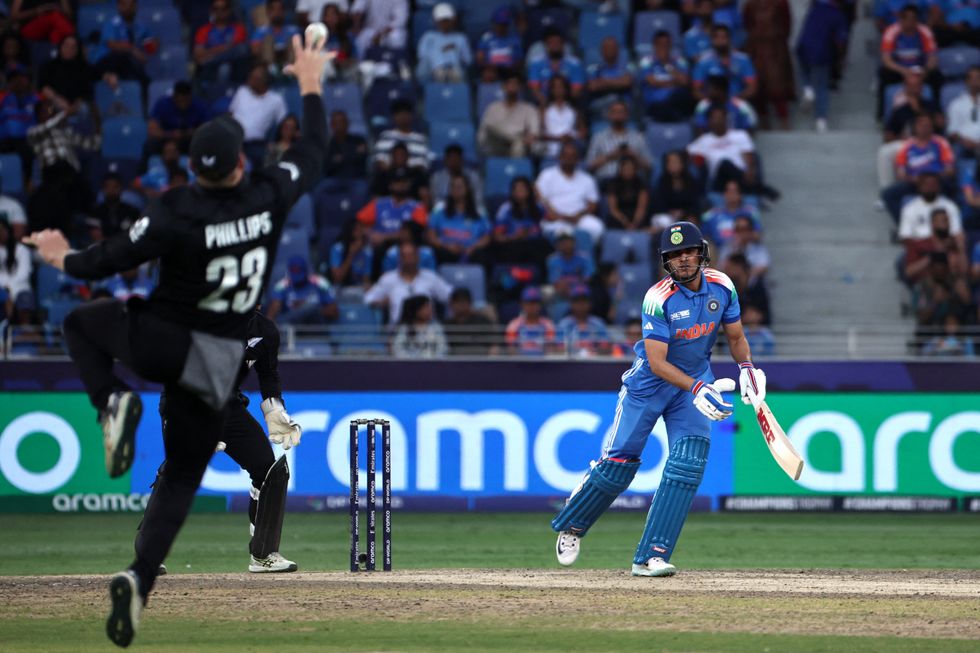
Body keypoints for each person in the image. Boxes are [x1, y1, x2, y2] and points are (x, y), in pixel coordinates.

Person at [24, 35, 330, 648]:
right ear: (241, 164)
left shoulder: (174, 209)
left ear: (193, 168)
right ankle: (139, 575)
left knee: (80, 324)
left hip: (165, 339)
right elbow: (315, 149)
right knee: (183, 478)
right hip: (214, 365)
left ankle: (112, 403)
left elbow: (107, 260)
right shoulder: (268, 198)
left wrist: (61, 257)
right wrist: (310, 80)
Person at [551, 221, 766, 577]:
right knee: (619, 465)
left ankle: (651, 555)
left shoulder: (723, 286)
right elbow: (657, 362)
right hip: (649, 385)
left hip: (693, 381)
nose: (683, 259)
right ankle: (573, 524)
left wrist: (747, 368)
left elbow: (736, 337)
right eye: (674, 255)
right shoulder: (658, 297)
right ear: (666, 261)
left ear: (702, 253)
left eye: (688, 251)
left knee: (688, 464)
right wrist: (698, 388)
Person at [138, 308, 302, 576]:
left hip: (228, 406)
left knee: (268, 470)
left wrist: (274, 409)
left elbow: (268, 373)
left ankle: (263, 554)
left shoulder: (264, 330)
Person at [882, 114, 955, 221]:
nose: (924, 128)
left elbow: (950, 169)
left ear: (932, 127)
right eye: (921, 125)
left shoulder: (941, 143)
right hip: (915, 183)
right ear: (915, 127)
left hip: (937, 181)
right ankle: (905, 224)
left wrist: (932, 178)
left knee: (951, 188)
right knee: (888, 194)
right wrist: (914, 179)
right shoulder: (906, 146)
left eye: (927, 125)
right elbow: (900, 173)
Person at [364, 240, 453, 324]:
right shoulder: (388, 279)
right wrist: (380, 302)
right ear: (399, 258)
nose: (408, 260)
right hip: (399, 329)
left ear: (418, 257)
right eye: (404, 256)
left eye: (411, 255)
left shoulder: (430, 277)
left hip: (427, 329)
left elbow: (450, 295)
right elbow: (368, 299)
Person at [878, 5, 941, 119]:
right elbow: (886, 60)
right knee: (884, 74)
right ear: (901, 19)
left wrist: (925, 70)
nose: (910, 23)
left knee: (936, 76)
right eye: (907, 19)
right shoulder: (891, 31)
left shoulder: (925, 31)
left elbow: (933, 58)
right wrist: (903, 71)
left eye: (913, 19)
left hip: (920, 69)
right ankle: (881, 114)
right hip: (900, 70)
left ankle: (936, 112)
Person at [795, 0, 850, 132]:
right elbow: (840, 41)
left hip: (804, 47)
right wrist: (841, 59)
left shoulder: (815, 9)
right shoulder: (838, 16)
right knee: (822, 86)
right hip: (822, 52)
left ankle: (807, 89)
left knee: (804, 71)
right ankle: (821, 120)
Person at [536, 141, 605, 243]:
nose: (569, 159)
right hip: (555, 218)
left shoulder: (587, 179)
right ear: (559, 157)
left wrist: (578, 216)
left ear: (578, 159)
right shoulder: (547, 175)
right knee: (552, 229)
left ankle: (584, 250)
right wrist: (555, 214)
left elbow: (593, 204)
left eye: (573, 156)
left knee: (596, 227)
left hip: (579, 219)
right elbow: (540, 199)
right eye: (566, 155)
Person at [742, 0, 795, 129]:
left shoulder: (780, 3)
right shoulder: (750, 4)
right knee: (759, 84)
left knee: (778, 86)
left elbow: (786, 24)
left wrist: (777, 40)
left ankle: (784, 120)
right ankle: (763, 119)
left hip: (775, 48)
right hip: (756, 49)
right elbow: (747, 23)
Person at [230, 64, 288, 171]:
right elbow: (231, 114)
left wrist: (281, 143)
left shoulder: (276, 100)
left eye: (254, 78)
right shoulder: (242, 91)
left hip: (256, 145)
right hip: (234, 140)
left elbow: (284, 123)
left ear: (264, 82)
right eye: (250, 76)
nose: (249, 80)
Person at [356, 167, 428, 252]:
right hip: (377, 248)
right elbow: (358, 224)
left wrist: (384, 237)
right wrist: (371, 234)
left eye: (404, 181)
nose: (400, 185)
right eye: (397, 181)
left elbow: (415, 232)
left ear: (409, 184)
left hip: (404, 249)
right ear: (390, 185)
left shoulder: (417, 207)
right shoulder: (378, 204)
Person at [90, 0, 157, 89]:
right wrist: (132, 49)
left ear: (136, 7)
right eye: (124, 4)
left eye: (131, 5)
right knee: (122, 54)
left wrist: (155, 43)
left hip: (126, 66)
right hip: (106, 63)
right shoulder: (112, 24)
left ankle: (142, 84)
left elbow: (151, 47)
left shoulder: (141, 27)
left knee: (136, 69)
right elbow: (111, 44)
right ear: (119, 6)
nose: (128, 8)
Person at [427, 174, 491, 264]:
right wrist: (446, 246)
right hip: (446, 250)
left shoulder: (480, 211)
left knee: (485, 256)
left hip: (472, 251)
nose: (456, 189)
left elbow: (487, 237)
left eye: (459, 186)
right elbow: (431, 235)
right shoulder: (439, 209)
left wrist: (474, 247)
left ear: (467, 189)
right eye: (453, 186)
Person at [491, 176, 550, 270]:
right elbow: (497, 237)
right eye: (516, 189)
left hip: (535, 244)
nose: (519, 191)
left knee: (545, 246)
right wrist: (515, 237)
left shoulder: (538, 207)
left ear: (529, 191)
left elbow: (552, 217)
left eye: (522, 188)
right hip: (514, 244)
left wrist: (539, 197)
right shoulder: (506, 209)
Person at [585, 100, 653, 183]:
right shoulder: (598, 138)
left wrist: (633, 155)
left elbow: (649, 166)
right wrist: (610, 156)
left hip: (632, 182)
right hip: (606, 181)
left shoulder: (638, 138)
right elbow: (589, 166)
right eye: (614, 112)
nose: (618, 114)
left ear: (627, 115)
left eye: (621, 112)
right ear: (609, 115)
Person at [477, 70, 539, 158]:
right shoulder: (493, 108)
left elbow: (534, 132)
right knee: (490, 128)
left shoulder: (529, 109)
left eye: (515, 84)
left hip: (518, 144)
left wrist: (528, 138)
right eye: (509, 83)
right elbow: (483, 132)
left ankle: (514, 165)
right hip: (496, 145)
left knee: (518, 144)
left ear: (520, 88)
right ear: (503, 87)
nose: (512, 87)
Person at [266, 255, 339, 325]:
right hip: (291, 327)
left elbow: (334, 313)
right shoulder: (281, 287)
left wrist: (308, 310)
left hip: (315, 327)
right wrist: (298, 311)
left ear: (306, 270)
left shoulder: (320, 283)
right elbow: (271, 316)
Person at [692, 24, 757, 101]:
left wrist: (736, 100)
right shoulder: (702, 62)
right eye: (716, 37)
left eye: (723, 37)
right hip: (711, 102)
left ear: (730, 39)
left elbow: (752, 87)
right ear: (711, 40)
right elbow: (696, 90)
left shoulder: (744, 60)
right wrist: (710, 102)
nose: (720, 41)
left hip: (738, 101)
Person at [37, 34, 96, 118]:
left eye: (73, 47)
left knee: (85, 109)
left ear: (77, 50)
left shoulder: (85, 68)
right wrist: (57, 100)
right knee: (48, 109)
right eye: (66, 45)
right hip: (54, 103)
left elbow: (86, 92)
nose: (69, 49)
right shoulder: (49, 66)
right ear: (60, 47)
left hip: (77, 106)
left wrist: (75, 105)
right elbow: (43, 86)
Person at [639, 31, 692, 122]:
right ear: (654, 45)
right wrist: (675, 82)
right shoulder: (646, 61)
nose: (664, 47)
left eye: (667, 44)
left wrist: (667, 65)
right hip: (655, 106)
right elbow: (652, 81)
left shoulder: (680, 61)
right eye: (660, 44)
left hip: (676, 105)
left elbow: (685, 81)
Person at [146, 80, 210, 155]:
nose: (183, 104)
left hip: (189, 139)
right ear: (174, 97)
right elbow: (152, 130)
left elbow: (206, 130)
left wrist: (187, 133)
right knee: (150, 145)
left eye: (186, 100)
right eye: (180, 100)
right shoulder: (162, 104)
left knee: (204, 146)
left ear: (190, 97)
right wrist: (171, 135)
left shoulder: (200, 106)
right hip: (165, 138)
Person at [193, 0, 250, 83]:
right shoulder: (203, 30)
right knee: (224, 67)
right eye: (216, 8)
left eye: (224, 8)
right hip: (211, 70)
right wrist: (226, 47)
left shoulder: (238, 29)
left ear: (229, 10)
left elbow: (237, 51)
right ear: (211, 11)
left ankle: (211, 61)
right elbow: (198, 54)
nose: (220, 12)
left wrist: (210, 54)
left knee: (241, 50)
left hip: (235, 68)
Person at [527, 27, 585, 106]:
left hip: (568, 104)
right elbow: (534, 88)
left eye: (558, 42)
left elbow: (576, 89)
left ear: (563, 44)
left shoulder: (575, 64)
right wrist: (547, 105)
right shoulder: (536, 63)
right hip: (542, 104)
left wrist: (562, 105)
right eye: (551, 42)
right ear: (546, 45)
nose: (555, 45)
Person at [415, 3, 471, 83]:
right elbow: (422, 56)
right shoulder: (428, 37)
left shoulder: (460, 38)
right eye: (442, 21)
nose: (445, 24)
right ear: (436, 21)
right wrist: (439, 54)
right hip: (435, 69)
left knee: (456, 74)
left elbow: (468, 60)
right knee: (426, 68)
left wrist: (453, 51)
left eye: (447, 20)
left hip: (455, 69)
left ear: (453, 21)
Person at [700, 180, 762, 250]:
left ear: (740, 194)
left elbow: (757, 236)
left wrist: (742, 237)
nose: (732, 194)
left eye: (734, 191)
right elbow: (703, 237)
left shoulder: (750, 213)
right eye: (729, 191)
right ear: (724, 194)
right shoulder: (712, 215)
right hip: (718, 252)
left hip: (746, 251)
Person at [372, 99, 430, 171]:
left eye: (405, 113)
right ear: (394, 117)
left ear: (411, 116)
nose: (403, 117)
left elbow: (422, 164)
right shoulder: (385, 136)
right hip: (389, 176)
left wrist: (406, 174)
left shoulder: (420, 139)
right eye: (399, 114)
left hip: (413, 176)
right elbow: (379, 160)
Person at [651, 150, 704, 226]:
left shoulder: (690, 181)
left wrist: (684, 213)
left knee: (692, 222)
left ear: (682, 163)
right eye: (670, 162)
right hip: (667, 216)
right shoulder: (662, 182)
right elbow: (658, 204)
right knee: (664, 221)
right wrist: (670, 212)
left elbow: (695, 203)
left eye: (676, 162)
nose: (673, 165)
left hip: (686, 215)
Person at [692, 75, 758, 134]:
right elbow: (699, 127)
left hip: (737, 141)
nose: (707, 92)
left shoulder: (740, 105)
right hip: (711, 141)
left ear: (720, 90)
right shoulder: (703, 105)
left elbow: (750, 126)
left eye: (709, 89)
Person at [557, 284, 611, 357]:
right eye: (577, 301)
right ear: (571, 304)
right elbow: (558, 349)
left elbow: (606, 347)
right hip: (571, 362)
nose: (581, 305)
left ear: (590, 303)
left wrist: (592, 353)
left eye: (584, 301)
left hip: (594, 361)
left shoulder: (598, 323)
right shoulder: (564, 324)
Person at [429, 143, 485, 214]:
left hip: (469, 208)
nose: (454, 162)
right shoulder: (436, 177)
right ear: (445, 160)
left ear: (462, 160)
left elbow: (478, 199)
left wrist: (465, 207)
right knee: (437, 209)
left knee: (481, 210)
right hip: (445, 210)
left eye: (456, 159)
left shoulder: (473, 176)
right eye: (451, 159)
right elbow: (435, 200)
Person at [250, 0, 300, 76]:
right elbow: (255, 51)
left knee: (293, 39)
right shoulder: (261, 31)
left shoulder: (293, 30)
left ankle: (288, 70)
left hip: (289, 61)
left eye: (280, 10)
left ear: (284, 12)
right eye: (273, 10)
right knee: (268, 40)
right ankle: (272, 69)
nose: (277, 13)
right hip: (267, 64)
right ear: (268, 13)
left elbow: (299, 49)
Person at [539, 76, 585, 159]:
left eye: (561, 86)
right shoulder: (544, 109)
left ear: (566, 89)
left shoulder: (574, 109)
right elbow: (540, 132)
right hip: (550, 147)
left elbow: (583, 131)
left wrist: (571, 137)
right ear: (551, 89)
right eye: (555, 87)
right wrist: (557, 138)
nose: (558, 89)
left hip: (571, 146)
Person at [586, 36, 633, 116]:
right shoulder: (594, 69)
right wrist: (616, 82)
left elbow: (627, 82)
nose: (609, 50)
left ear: (618, 50)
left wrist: (604, 82)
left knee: (615, 100)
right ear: (601, 51)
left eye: (612, 47)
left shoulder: (627, 68)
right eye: (606, 48)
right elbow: (592, 86)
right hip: (601, 105)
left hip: (623, 106)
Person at [86, 173, 140, 242]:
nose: (111, 190)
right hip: (103, 247)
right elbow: (97, 238)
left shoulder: (133, 212)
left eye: (115, 187)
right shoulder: (94, 212)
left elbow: (135, 236)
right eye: (107, 187)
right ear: (103, 189)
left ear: (121, 189)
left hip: (127, 247)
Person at [391, 294, 448, 358]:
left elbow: (443, 348)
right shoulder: (404, 328)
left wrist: (433, 360)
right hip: (409, 363)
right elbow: (398, 349)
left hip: (433, 362)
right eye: (426, 307)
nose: (430, 310)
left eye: (430, 307)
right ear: (416, 310)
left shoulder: (436, 327)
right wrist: (411, 361)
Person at [504, 285, 556, 355]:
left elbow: (551, 348)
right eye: (528, 302)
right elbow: (511, 349)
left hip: (543, 360)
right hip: (520, 361)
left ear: (540, 304)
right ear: (522, 304)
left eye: (535, 302)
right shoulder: (514, 325)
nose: (532, 306)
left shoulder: (548, 324)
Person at [476, 6, 523, 81]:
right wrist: (488, 67)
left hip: (508, 72)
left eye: (504, 24)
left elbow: (519, 61)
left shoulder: (515, 39)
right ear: (494, 23)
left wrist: (509, 67)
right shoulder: (486, 37)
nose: (501, 27)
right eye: (499, 24)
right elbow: (479, 58)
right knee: (487, 74)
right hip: (491, 70)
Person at [604, 155, 650, 231]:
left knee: (644, 221)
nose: (628, 171)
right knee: (612, 220)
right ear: (620, 169)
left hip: (636, 216)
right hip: (619, 217)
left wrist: (635, 223)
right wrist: (624, 222)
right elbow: (613, 209)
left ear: (635, 169)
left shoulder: (641, 183)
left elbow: (641, 207)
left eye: (630, 168)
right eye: (625, 168)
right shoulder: (613, 184)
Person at [444, 286, 494, 355]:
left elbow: (493, 346)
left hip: (481, 359)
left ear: (470, 303)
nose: (461, 306)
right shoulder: (446, 325)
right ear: (451, 304)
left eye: (463, 302)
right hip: (456, 360)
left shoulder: (482, 321)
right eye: (457, 302)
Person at [0, 215, 32, 319]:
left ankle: (24, 327)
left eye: (3, 229)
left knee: (25, 298)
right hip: (1, 287)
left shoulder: (22, 249)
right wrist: (5, 290)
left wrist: (10, 289)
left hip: (19, 286)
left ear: (8, 231)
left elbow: (24, 273)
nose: (1, 233)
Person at [547, 233, 595, 298]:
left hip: (583, 288)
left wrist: (572, 283)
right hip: (562, 291)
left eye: (569, 243)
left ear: (574, 243)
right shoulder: (552, 260)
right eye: (563, 244)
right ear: (557, 245)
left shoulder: (585, 257)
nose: (567, 246)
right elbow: (555, 281)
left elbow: (588, 278)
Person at [946, 65, 980, 158]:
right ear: (966, 81)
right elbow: (952, 131)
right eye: (971, 78)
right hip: (965, 146)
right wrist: (965, 142)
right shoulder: (956, 104)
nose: (974, 81)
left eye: (978, 77)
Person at [324, 109, 368, 179]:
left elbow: (363, 157)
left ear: (347, 123)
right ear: (331, 125)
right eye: (336, 123)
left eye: (341, 122)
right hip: (333, 179)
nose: (339, 126)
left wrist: (340, 158)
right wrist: (354, 152)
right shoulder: (327, 144)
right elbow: (327, 165)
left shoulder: (359, 140)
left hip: (356, 178)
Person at [10, 0, 74, 44]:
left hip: (52, 25)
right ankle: (74, 42)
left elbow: (68, 15)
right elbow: (14, 16)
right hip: (30, 26)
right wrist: (36, 11)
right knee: (55, 16)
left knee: (56, 34)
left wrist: (58, 9)